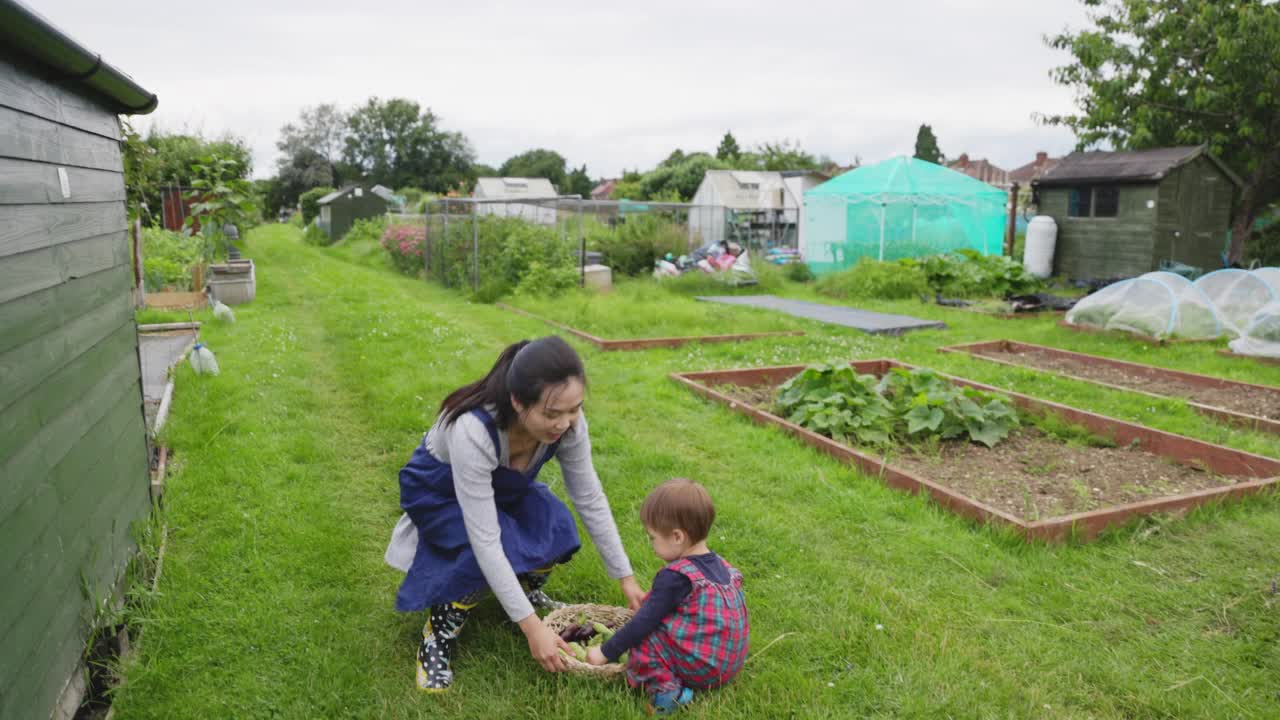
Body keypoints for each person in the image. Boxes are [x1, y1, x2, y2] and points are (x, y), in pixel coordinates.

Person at [383, 336, 645, 691]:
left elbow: (589, 497)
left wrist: (625, 578)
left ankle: (523, 591)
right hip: (438, 491)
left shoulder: (569, 424)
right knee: (478, 554)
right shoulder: (473, 430)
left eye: (575, 409)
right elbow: (485, 539)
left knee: (555, 527)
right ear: (518, 402)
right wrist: (532, 629)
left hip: (502, 486)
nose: (566, 423)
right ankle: (438, 636)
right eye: (552, 414)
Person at [585, 478, 749, 715]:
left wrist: (604, 652)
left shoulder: (675, 576)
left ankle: (669, 693)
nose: (651, 544)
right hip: (728, 664)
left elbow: (643, 623)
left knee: (644, 636)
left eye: (653, 537)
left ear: (677, 537)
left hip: (703, 669)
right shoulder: (720, 565)